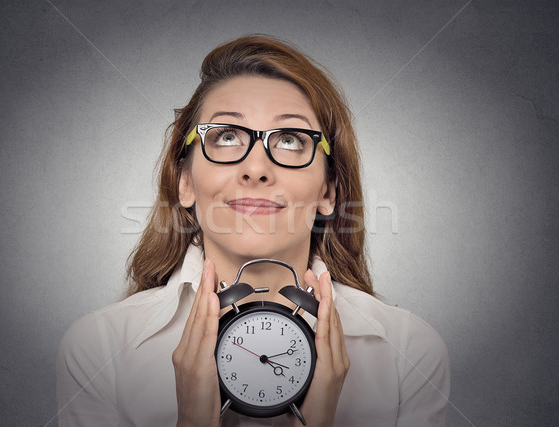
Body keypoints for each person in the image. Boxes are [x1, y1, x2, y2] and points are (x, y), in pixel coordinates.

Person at [56, 35, 450, 427]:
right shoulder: (98, 348)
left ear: (328, 190)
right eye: (227, 136)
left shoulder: (409, 353)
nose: (256, 168)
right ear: (186, 183)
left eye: (291, 140)